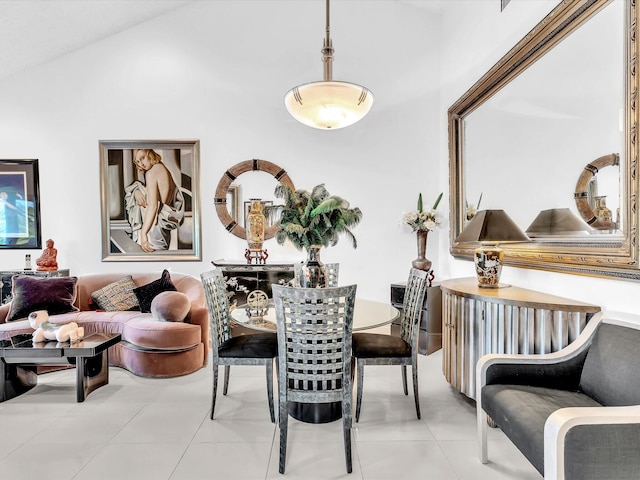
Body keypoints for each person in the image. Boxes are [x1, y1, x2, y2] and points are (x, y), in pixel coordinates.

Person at [124, 149, 185, 253]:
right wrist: (137, 191)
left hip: (151, 228)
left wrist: (143, 234)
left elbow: (153, 206)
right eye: (137, 161)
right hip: (157, 228)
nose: (141, 164)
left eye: (142, 158)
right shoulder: (162, 169)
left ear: (150, 154)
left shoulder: (152, 173)